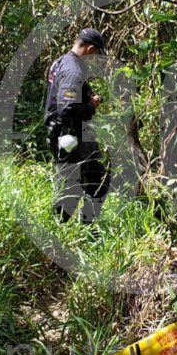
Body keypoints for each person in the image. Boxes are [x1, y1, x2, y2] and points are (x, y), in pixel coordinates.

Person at [43, 28, 111, 225]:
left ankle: (88, 230)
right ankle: (55, 236)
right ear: (90, 49)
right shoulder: (73, 69)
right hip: (68, 137)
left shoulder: (63, 62)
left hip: (79, 136)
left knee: (98, 180)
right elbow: (66, 110)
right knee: (69, 193)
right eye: (97, 56)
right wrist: (92, 106)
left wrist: (87, 97)